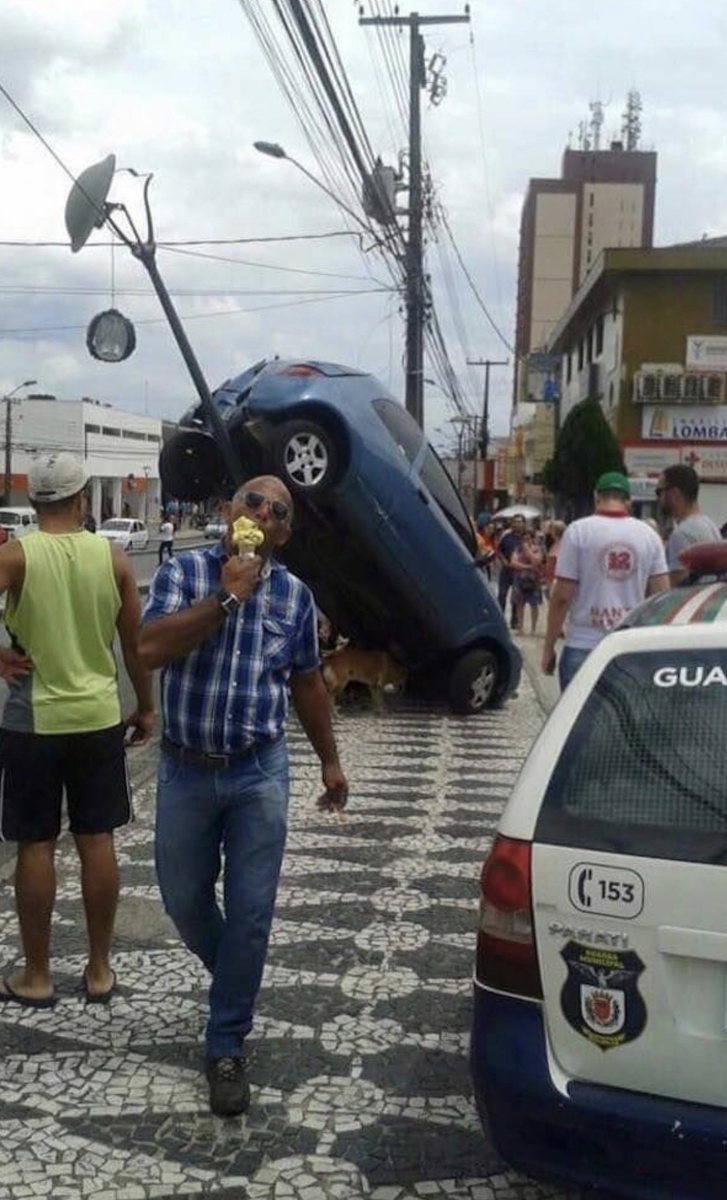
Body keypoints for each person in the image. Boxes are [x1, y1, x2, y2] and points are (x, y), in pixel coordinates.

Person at [139, 475, 348, 1119]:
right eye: (253, 502)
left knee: (252, 912)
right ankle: (238, 977)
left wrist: (330, 762)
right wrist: (226, 599)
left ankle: (226, 1042)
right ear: (229, 511)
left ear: (284, 533)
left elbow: (308, 685)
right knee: (183, 899)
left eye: (277, 512)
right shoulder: (184, 572)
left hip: (259, 771)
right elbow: (148, 648)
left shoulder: (293, 596)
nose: (262, 513)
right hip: (186, 772)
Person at [0, 452, 154, 1009]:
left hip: (33, 722)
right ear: (81, 498)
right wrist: (147, 709)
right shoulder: (111, 559)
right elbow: (135, 645)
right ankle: (99, 970)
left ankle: (37, 976)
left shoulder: (16, 555)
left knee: (35, 844)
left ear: (33, 500)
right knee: (97, 840)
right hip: (96, 718)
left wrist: (1, 659)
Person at [541, 471, 669, 690]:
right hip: (628, 647)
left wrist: (549, 647)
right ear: (628, 500)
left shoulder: (578, 532)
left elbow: (562, 596)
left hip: (583, 645)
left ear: (596, 496)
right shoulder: (649, 536)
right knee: (624, 722)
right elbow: (662, 597)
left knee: (579, 722)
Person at [656, 463, 721, 585]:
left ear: (674, 494)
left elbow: (677, 590)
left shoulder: (682, 534)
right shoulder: (709, 525)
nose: (658, 499)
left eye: (659, 492)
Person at [511, 530, 545, 635]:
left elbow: (537, 561)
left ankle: (533, 629)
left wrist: (528, 551)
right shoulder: (517, 549)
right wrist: (527, 566)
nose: (526, 541)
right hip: (519, 580)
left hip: (534, 580)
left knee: (534, 604)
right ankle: (520, 628)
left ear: (533, 539)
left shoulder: (537, 549)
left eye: (529, 538)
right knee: (519, 603)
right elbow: (513, 563)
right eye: (524, 539)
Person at [496, 514, 525, 628]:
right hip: (506, 570)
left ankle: (514, 620)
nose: (518, 523)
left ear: (524, 524)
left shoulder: (525, 538)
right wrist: (503, 561)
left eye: (520, 521)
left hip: (518, 571)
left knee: (516, 596)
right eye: (516, 521)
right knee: (502, 595)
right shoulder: (506, 536)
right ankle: (500, 618)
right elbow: (499, 550)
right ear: (512, 523)